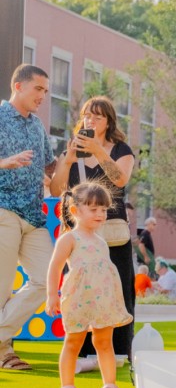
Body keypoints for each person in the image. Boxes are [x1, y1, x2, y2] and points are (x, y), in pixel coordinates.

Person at [50, 95, 138, 371]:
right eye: (87, 115)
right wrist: (68, 160)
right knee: (80, 289)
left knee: (116, 290)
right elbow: (56, 190)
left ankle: (119, 351)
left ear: (108, 122)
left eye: (98, 117)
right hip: (78, 236)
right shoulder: (72, 148)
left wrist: (98, 150)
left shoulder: (121, 149)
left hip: (112, 234)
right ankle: (82, 353)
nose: (91, 120)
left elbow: (120, 179)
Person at [45, 182, 133, 388]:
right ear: (75, 210)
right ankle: (67, 386)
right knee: (73, 341)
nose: (100, 214)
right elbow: (55, 267)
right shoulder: (69, 238)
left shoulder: (102, 242)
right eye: (94, 209)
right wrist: (52, 295)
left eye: (103, 209)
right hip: (78, 299)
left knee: (104, 341)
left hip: (102, 301)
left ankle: (110, 384)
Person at [0, 64, 56, 372]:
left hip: (34, 217)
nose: (43, 96)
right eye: (38, 89)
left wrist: (72, 157)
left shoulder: (38, 126)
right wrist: (4, 163)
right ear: (18, 86)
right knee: (1, 289)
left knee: (47, 280)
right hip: (3, 211)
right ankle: (5, 353)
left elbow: (51, 167)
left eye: (46, 91)